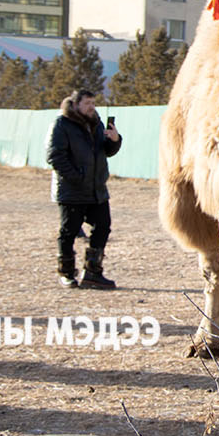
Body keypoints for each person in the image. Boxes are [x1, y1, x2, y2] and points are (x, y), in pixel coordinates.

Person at [48, 89, 122, 288]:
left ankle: (92, 272)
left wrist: (115, 140)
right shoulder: (62, 124)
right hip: (72, 191)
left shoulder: (96, 123)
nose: (91, 107)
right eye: (87, 103)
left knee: (103, 227)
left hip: (96, 190)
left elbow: (106, 151)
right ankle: (66, 273)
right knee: (68, 232)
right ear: (75, 104)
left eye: (93, 103)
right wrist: (77, 177)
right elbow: (54, 156)